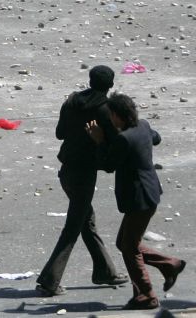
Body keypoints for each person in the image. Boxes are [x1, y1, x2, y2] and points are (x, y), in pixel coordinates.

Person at [86, 94, 187, 311]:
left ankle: (147, 295)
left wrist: (100, 140)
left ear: (116, 115)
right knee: (125, 243)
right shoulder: (142, 126)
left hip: (138, 198)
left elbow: (108, 164)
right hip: (149, 193)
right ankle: (170, 265)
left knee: (129, 247)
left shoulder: (124, 139)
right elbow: (156, 138)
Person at [36, 65, 128, 297]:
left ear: (89, 80)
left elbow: (59, 133)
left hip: (66, 169)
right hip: (85, 172)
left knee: (86, 220)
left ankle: (105, 271)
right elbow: (115, 144)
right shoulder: (106, 110)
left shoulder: (72, 101)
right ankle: (49, 280)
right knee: (73, 227)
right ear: (110, 85)